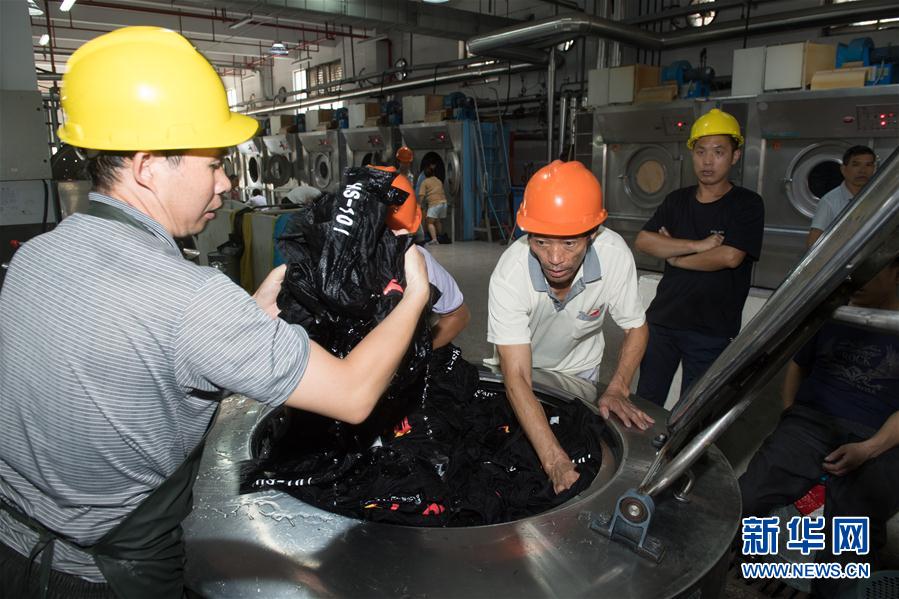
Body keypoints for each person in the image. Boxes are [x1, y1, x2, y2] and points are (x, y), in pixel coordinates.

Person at [0, 26, 430, 598]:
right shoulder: (190, 297)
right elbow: (352, 394)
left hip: (14, 550)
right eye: (213, 164)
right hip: (103, 579)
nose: (227, 183)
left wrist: (241, 322)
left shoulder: (37, 255)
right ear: (148, 165)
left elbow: (124, 377)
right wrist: (416, 297)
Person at [486, 160, 654, 494]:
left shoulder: (614, 256)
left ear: (593, 233)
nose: (554, 258)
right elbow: (517, 377)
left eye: (569, 243)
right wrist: (555, 462)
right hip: (521, 373)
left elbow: (636, 327)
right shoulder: (510, 275)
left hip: (579, 374)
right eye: (541, 242)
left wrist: (619, 386)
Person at [739, 258, 899, 598]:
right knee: (747, 495)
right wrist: (791, 414)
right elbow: (798, 366)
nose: (860, 281)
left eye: (873, 272)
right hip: (812, 421)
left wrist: (869, 449)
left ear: (896, 272)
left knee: (851, 532)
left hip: (879, 435)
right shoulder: (836, 314)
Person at [634, 108, 764, 408]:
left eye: (718, 152)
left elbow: (730, 256)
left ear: (735, 156)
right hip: (663, 321)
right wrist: (698, 245)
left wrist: (676, 256)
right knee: (645, 402)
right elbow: (644, 241)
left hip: (712, 329)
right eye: (701, 151)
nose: (708, 161)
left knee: (692, 411)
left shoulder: (747, 204)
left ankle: (680, 457)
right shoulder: (676, 200)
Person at [373, 165, 470, 348]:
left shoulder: (418, 262)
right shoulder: (418, 262)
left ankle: (435, 238)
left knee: (432, 222)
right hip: (441, 203)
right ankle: (437, 238)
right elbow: (459, 316)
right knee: (436, 222)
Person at [806, 145, 876, 247]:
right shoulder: (829, 201)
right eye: (856, 165)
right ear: (843, 169)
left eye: (868, 165)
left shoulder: (879, 195)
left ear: (874, 169)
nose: (863, 170)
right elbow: (812, 243)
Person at [420, 162, 448, 245]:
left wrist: (419, 205)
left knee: (430, 222)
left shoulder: (425, 182)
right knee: (438, 221)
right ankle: (439, 237)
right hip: (443, 203)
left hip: (434, 204)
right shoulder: (438, 180)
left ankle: (434, 240)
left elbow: (421, 195)